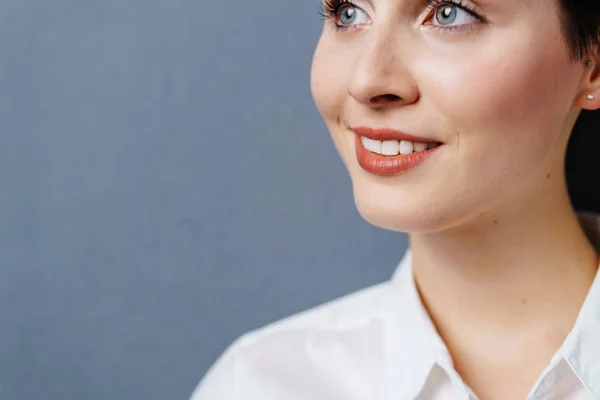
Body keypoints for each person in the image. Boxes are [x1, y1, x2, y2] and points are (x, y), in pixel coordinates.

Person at [191, 0, 600, 398]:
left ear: (594, 65)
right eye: (347, 12)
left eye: (448, 13)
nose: (366, 81)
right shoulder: (257, 386)